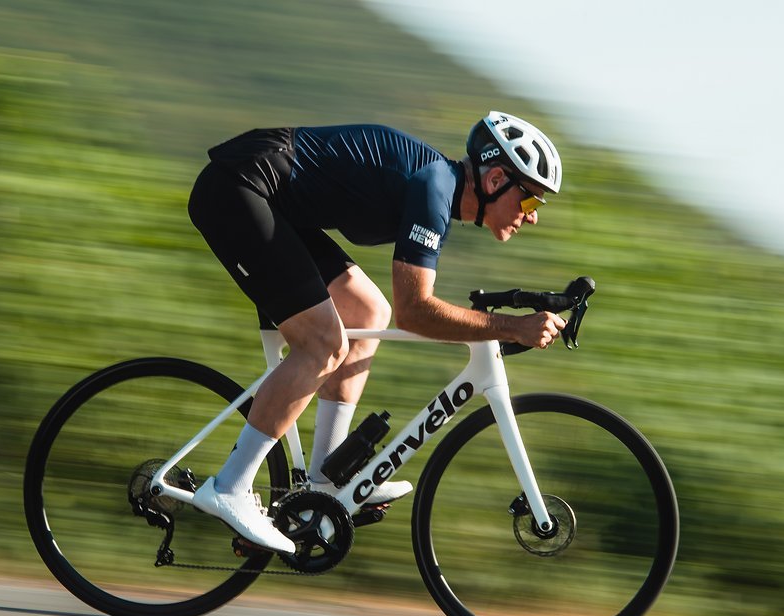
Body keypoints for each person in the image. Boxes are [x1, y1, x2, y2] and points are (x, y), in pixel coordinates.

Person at [186, 111, 566, 553]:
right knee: (324, 345)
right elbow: (416, 311)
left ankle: (326, 478)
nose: (532, 216)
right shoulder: (434, 189)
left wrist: (509, 326)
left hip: (274, 202)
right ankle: (230, 486)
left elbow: (401, 310)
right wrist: (511, 328)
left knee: (368, 310)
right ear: (497, 178)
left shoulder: (439, 190)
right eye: (530, 201)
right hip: (238, 190)